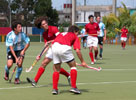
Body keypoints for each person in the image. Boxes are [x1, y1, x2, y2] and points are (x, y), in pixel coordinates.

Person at [27, 16, 70, 86]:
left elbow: (60, 38)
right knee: (43, 63)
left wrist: (51, 41)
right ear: (41, 26)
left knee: (55, 68)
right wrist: (40, 55)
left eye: (46, 23)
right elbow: (46, 46)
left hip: (60, 48)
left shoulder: (54, 28)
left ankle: (68, 75)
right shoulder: (44, 34)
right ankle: (35, 81)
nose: (46, 24)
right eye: (43, 24)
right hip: (52, 48)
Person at [51, 25, 87, 95]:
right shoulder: (74, 36)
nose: (78, 34)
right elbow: (77, 51)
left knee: (57, 69)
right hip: (65, 48)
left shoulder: (61, 33)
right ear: (74, 31)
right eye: (77, 32)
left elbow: (53, 44)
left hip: (54, 48)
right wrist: (83, 62)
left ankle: (55, 89)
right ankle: (73, 87)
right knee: (73, 67)